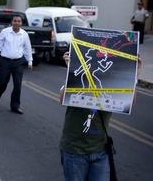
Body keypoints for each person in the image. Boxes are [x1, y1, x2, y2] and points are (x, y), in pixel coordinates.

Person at [59, 51, 141, 181]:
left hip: (100, 150)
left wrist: (133, 75)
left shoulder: (108, 80)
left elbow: (129, 104)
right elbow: (63, 99)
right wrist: (71, 68)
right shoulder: (79, 75)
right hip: (74, 150)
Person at [0, 14, 33, 114]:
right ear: (11, 22)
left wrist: (30, 61)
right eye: (15, 21)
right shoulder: (5, 32)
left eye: (19, 21)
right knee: (2, 83)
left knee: (17, 85)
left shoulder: (24, 34)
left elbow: (27, 48)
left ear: (21, 23)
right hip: (5, 61)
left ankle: (15, 106)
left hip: (18, 62)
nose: (17, 23)